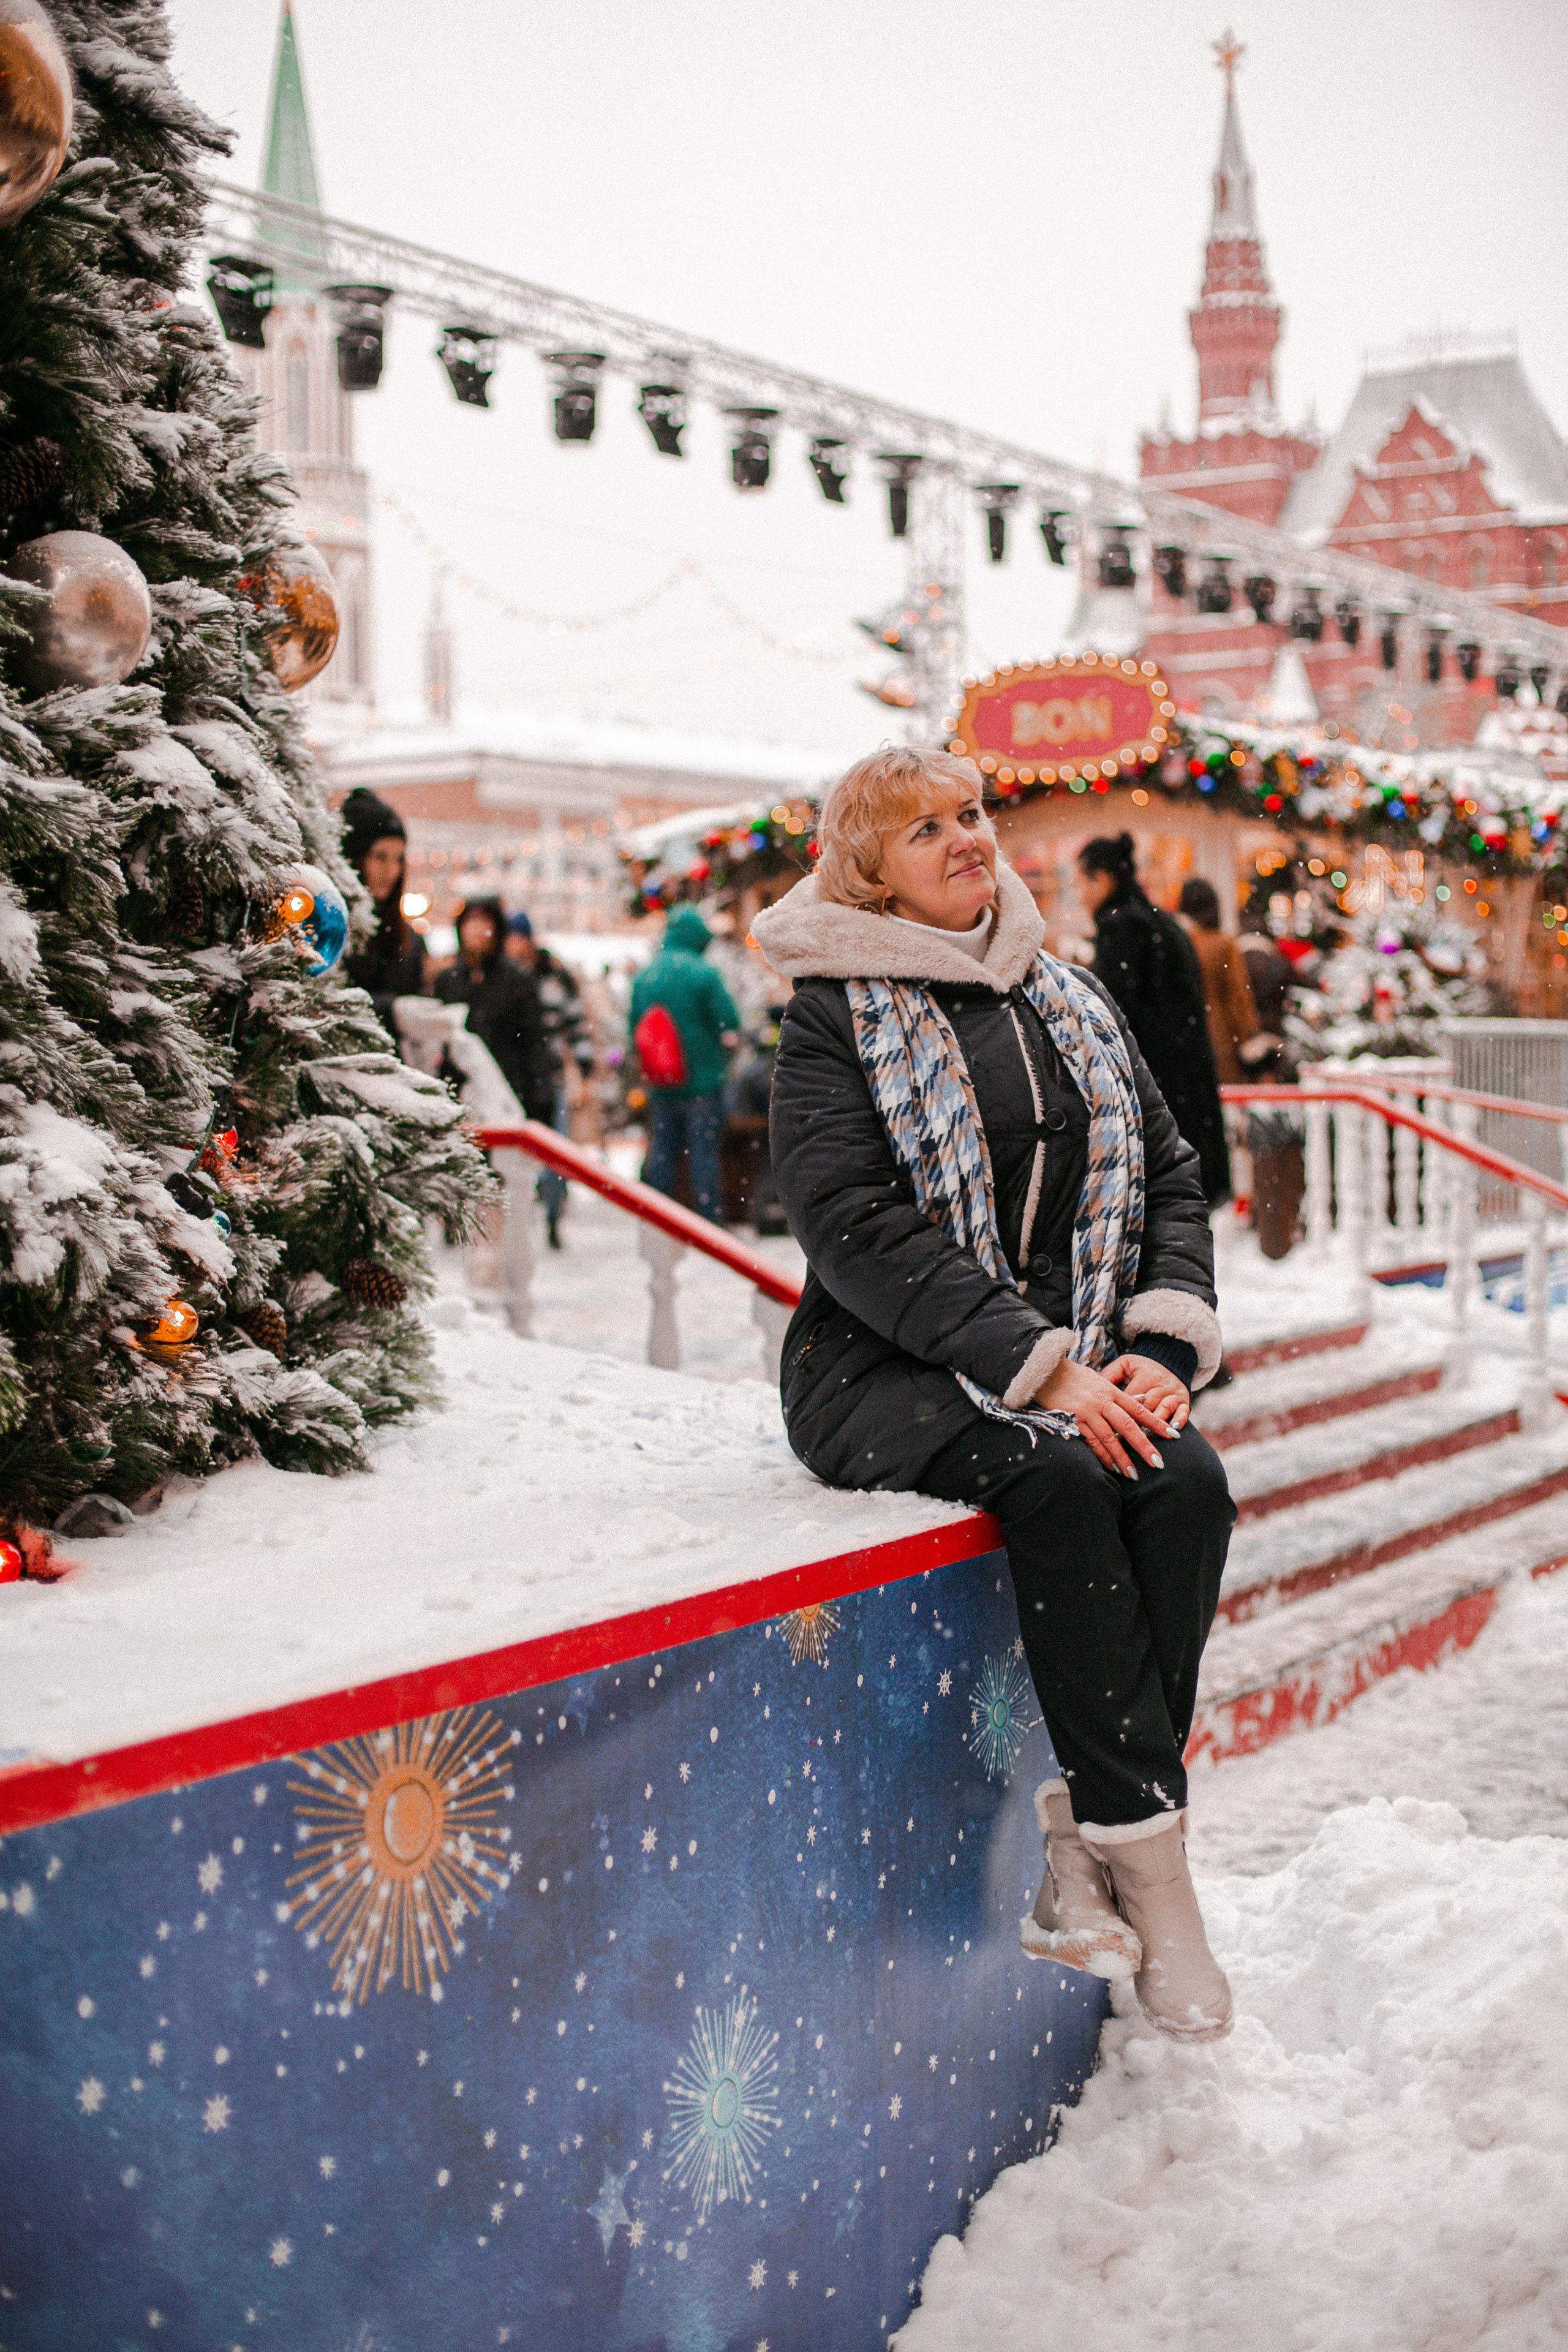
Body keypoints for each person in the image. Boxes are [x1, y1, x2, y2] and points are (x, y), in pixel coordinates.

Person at [756, 748, 1236, 2044]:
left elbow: (1169, 1172)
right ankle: (1161, 1887)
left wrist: (1155, 1346)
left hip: (1074, 1357)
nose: (966, 840)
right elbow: (846, 1219)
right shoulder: (832, 1015)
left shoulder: (1065, 993)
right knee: (1064, 1473)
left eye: (969, 815)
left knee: (1184, 1481)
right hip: (881, 1372)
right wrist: (1041, 1368)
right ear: (869, 873)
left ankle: (1087, 1848)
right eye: (924, 831)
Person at [1077, 833, 1231, 1205]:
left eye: (1080, 883)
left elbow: (1109, 1021)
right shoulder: (1163, 923)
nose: (1080, 895)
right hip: (1188, 1100)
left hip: (1155, 1104)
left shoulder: (1122, 930)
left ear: (1101, 880)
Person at [628, 905, 741, 1224]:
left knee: (662, 1153)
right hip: (703, 1081)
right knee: (703, 1154)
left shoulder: (645, 976)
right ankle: (709, 1223)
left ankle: (659, 1221)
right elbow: (729, 1020)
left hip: (661, 1083)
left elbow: (635, 1028)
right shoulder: (704, 973)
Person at [505, 912, 594, 1249]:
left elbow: (574, 1021)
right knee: (519, 1154)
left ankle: (554, 1215)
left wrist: (583, 1063)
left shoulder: (553, 977)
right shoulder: (503, 977)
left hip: (549, 1076)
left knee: (555, 1149)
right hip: (514, 1078)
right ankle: (518, 1221)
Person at [434, 897, 555, 1123]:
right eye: (471, 923)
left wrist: (538, 1102)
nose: (478, 931)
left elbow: (534, 1045)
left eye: (485, 923)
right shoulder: (448, 980)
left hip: (508, 1096)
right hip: (460, 1099)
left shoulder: (518, 980)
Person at [339, 787, 424, 1035]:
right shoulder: (330, 929)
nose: (392, 871)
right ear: (354, 857)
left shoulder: (409, 940)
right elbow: (324, 1005)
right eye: (380, 857)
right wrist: (392, 1010)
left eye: (399, 859)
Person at [1176, 878, 1267, 1087]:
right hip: (1219, 1036)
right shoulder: (1222, 945)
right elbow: (1238, 998)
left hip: (1182, 1036)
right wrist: (1249, 1036)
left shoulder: (1174, 942)